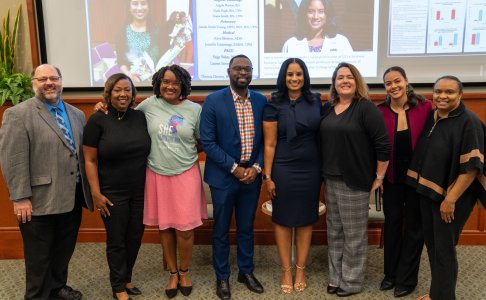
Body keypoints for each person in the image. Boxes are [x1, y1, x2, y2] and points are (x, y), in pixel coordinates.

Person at [95, 64, 207, 299]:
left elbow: (201, 142)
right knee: (165, 227)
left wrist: (182, 153)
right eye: (165, 81)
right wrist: (102, 106)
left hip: (186, 173)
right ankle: (173, 273)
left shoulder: (194, 110)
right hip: (156, 174)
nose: (170, 86)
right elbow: (123, 115)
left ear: (183, 85)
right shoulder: (148, 105)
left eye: (175, 82)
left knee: (185, 229)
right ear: (158, 83)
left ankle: (185, 271)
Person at [0, 64, 93, 300]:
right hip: (39, 200)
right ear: (34, 83)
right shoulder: (18, 114)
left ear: (61, 81)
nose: (49, 83)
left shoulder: (77, 114)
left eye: (53, 78)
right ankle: (37, 295)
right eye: (42, 79)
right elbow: (14, 159)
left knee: (63, 250)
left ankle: (57, 287)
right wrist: (20, 197)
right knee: (39, 257)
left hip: (72, 196)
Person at [406, 76, 485, 300]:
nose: (442, 96)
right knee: (433, 246)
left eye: (449, 92)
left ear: (460, 95)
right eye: (438, 91)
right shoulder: (435, 116)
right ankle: (437, 293)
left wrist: (450, 200)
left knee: (444, 249)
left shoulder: (469, 122)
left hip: (451, 200)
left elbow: (472, 168)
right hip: (430, 194)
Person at [319, 62, 390, 297]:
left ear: (357, 81)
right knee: (335, 232)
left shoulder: (366, 108)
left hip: (355, 182)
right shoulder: (329, 108)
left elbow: (383, 145)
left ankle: (351, 281)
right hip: (331, 180)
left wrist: (379, 177)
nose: (345, 81)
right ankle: (335, 276)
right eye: (340, 78)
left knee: (354, 235)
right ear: (334, 84)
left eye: (349, 77)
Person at [200, 54, 267, 300]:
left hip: (252, 176)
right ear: (228, 71)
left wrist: (257, 167)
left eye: (247, 69)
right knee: (220, 229)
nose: (243, 72)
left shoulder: (261, 101)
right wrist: (235, 168)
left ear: (252, 73)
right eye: (238, 68)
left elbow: (267, 140)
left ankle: (246, 272)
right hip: (224, 177)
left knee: (247, 227)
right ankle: (223, 276)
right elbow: (208, 141)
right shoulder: (213, 101)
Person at [83, 73, 151, 300]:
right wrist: (96, 193)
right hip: (112, 192)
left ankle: (127, 278)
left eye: (127, 90)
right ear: (109, 93)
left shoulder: (140, 117)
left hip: (141, 190)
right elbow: (90, 160)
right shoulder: (97, 120)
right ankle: (118, 286)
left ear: (133, 94)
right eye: (117, 90)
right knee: (116, 240)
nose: (123, 94)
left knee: (134, 237)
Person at [262, 58, 322, 294]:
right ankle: (286, 269)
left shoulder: (316, 100)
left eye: (299, 74)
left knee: (306, 220)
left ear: (305, 76)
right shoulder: (273, 103)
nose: (294, 79)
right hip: (283, 167)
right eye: (290, 74)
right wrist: (268, 176)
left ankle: (300, 268)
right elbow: (269, 144)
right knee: (283, 218)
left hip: (311, 168)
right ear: (283, 77)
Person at [377, 66, 433, 298]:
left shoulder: (426, 107)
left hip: (418, 179)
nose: (394, 86)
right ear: (385, 88)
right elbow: (374, 145)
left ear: (406, 81)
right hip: (391, 179)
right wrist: (377, 176)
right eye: (388, 83)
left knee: (413, 228)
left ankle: (407, 279)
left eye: (397, 81)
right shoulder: (379, 111)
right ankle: (390, 274)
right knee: (392, 225)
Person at [116, 0, 165, 82]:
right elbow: (121, 61)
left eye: (143, 3)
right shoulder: (121, 34)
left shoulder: (159, 32)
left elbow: (164, 57)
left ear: (149, 7)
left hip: (156, 82)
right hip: (132, 84)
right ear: (129, 8)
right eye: (135, 4)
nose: (139, 8)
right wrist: (129, 76)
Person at [281, 0, 352, 53]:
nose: (315, 17)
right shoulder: (290, 44)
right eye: (310, 11)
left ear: (328, 14)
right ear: (304, 14)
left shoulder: (341, 42)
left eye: (321, 11)